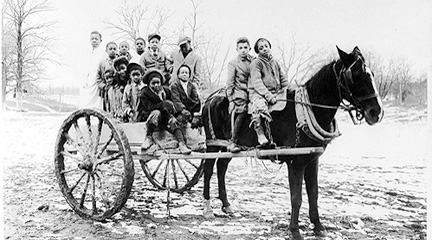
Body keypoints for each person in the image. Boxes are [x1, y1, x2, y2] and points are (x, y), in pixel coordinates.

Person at [138, 69, 191, 154]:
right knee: (156, 113)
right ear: (148, 84)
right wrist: (164, 103)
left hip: (165, 115)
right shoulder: (145, 93)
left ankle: (181, 144)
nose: (156, 85)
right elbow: (149, 107)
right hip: (149, 115)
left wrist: (178, 111)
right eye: (153, 83)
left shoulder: (166, 91)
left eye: (158, 83)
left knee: (173, 121)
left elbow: (172, 104)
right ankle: (148, 138)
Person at [248, 38, 290, 146]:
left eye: (266, 46)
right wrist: (268, 95)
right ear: (258, 51)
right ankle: (260, 133)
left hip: (275, 91)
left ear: (270, 47)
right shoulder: (256, 63)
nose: (264, 49)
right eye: (261, 48)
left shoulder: (275, 62)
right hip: (258, 93)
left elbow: (283, 78)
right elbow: (257, 82)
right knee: (259, 107)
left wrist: (288, 88)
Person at [226, 37, 255, 153]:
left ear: (249, 48)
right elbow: (230, 82)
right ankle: (233, 140)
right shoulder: (233, 63)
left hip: (253, 91)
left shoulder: (254, 61)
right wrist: (230, 99)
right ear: (237, 49)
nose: (243, 50)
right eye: (241, 48)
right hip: (240, 91)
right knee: (243, 110)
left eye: (245, 48)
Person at [170, 64, 201, 132]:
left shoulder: (192, 86)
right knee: (181, 119)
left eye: (186, 73)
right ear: (178, 75)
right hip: (179, 111)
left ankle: (197, 137)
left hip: (190, 110)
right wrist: (183, 110)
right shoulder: (174, 86)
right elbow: (176, 100)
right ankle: (181, 138)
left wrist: (195, 112)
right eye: (182, 72)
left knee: (199, 119)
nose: (184, 74)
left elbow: (195, 99)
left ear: (189, 75)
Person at [80, 30, 106, 109]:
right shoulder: (87, 53)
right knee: (85, 101)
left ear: (100, 40)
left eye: (96, 39)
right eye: (92, 39)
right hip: (87, 81)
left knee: (96, 103)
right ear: (90, 40)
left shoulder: (103, 54)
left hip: (96, 81)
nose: (94, 40)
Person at [96, 41, 118, 111]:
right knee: (107, 107)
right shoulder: (102, 62)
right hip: (106, 89)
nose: (112, 51)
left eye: (114, 49)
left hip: (117, 89)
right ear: (106, 50)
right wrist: (103, 86)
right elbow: (98, 77)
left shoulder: (119, 61)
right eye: (110, 49)